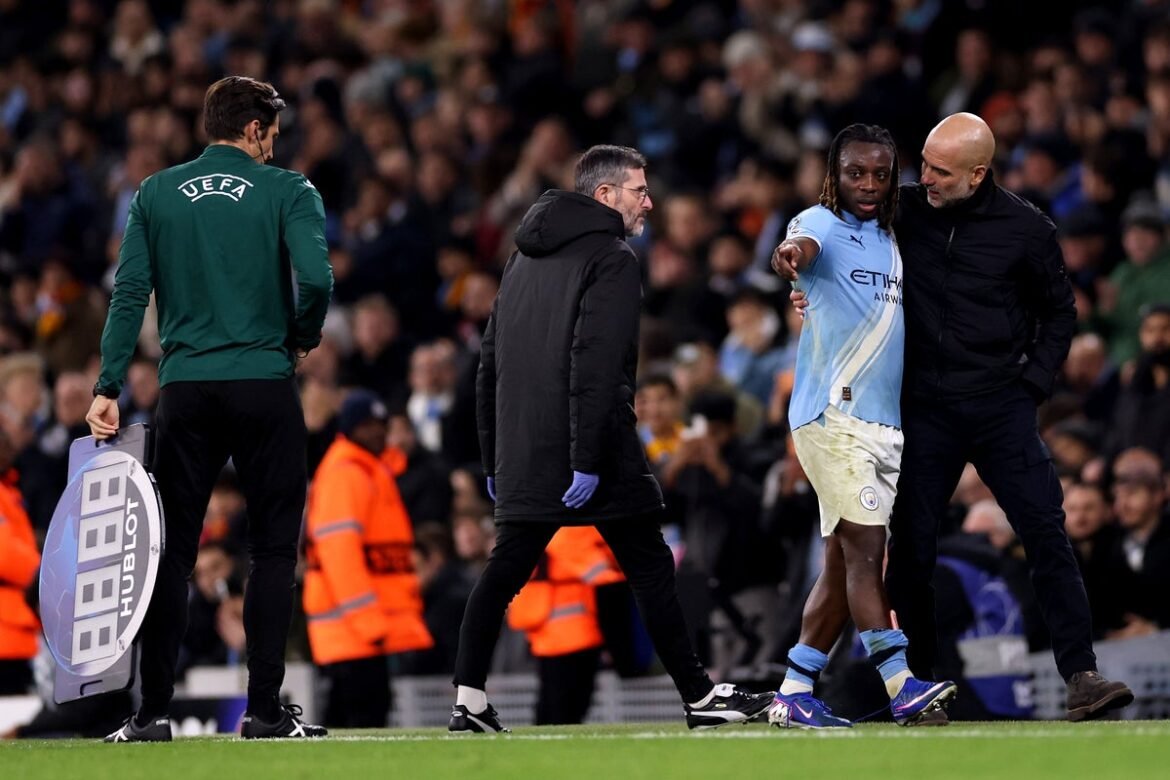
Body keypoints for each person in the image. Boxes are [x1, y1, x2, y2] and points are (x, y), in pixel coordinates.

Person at [789, 113, 1131, 722]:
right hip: (923, 409)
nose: (925, 179)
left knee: (1045, 531)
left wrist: (1032, 386)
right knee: (911, 552)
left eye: (941, 172)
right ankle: (918, 691)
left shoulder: (1026, 228)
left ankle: (1081, 675)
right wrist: (808, 286)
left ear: (978, 174)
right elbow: (836, 248)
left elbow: (1060, 312)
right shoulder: (901, 211)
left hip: (1000, 406)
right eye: (924, 164)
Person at [451, 144, 772, 733]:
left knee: (504, 570)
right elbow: (598, 364)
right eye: (639, 191)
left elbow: (489, 364)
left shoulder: (520, 259)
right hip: (591, 447)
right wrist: (587, 456)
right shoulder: (613, 257)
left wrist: (494, 454)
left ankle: (468, 700)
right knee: (650, 566)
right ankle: (699, 696)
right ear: (605, 195)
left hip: (523, 448)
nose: (649, 203)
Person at [85, 76, 333, 741]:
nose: (274, 145)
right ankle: (265, 712)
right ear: (252, 128)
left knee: (171, 554)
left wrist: (108, 384)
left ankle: (151, 714)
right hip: (264, 382)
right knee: (272, 550)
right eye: (271, 133)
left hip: (186, 388)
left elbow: (129, 291)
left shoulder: (155, 193)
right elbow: (316, 278)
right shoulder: (289, 190)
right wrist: (302, 338)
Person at [767, 124, 956, 729]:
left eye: (879, 174)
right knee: (868, 555)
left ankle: (794, 691)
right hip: (834, 417)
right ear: (834, 175)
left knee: (840, 561)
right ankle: (902, 686)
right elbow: (797, 249)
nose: (868, 185)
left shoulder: (891, 236)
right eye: (855, 173)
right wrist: (790, 260)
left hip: (882, 425)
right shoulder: (820, 223)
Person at [304, 390, 434, 727]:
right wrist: (367, 621)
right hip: (353, 631)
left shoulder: (369, 470)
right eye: (366, 425)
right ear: (349, 429)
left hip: (363, 632)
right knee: (359, 719)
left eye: (381, 424)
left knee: (356, 720)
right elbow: (339, 555)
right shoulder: (346, 473)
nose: (377, 431)